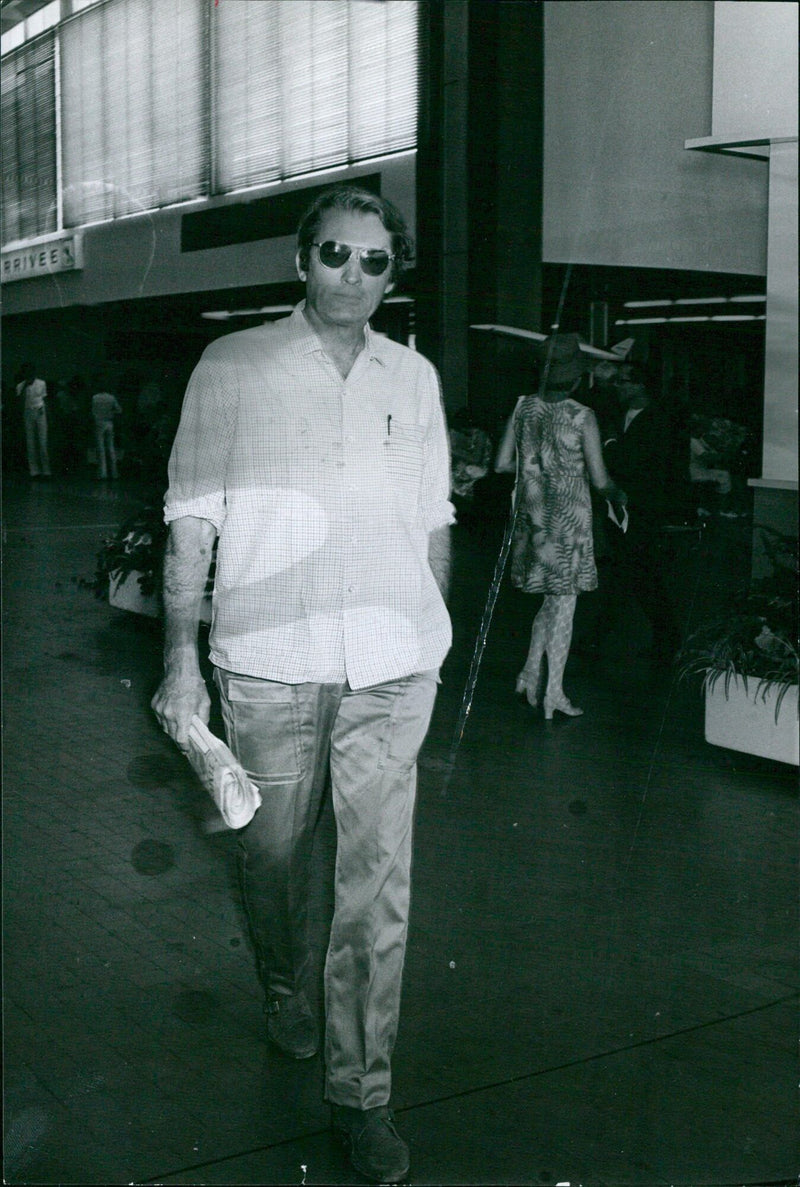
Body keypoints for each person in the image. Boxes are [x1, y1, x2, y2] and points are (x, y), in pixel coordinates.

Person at [150, 184, 454, 1185]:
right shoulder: (231, 367)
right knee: (273, 856)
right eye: (335, 253)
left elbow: (432, 519)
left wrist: (428, 631)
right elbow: (192, 519)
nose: (353, 276)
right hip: (267, 666)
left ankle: (360, 1092)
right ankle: (283, 979)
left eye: (375, 261)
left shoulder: (412, 380)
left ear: (390, 275)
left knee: (377, 886)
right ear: (299, 259)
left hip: (388, 669)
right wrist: (179, 661)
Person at [496, 333, 625, 719]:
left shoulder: (522, 407)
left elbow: (502, 464)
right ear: (575, 377)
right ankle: (554, 694)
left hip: (533, 520)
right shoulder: (582, 416)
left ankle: (528, 673)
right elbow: (601, 481)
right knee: (564, 607)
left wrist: (536, 470)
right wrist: (619, 496)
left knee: (552, 601)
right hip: (569, 524)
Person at [603, 363, 685, 665]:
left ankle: (668, 638)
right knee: (630, 572)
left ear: (641, 386)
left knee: (641, 574)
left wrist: (609, 443)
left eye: (623, 382)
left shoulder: (658, 420)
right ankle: (602, 636)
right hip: (620, 508)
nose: (618, 387)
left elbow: (631, 463)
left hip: (643, 508)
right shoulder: (619, 415)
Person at [16, 363, 51, 478]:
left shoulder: (41, 383)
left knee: (42, 442)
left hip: (40, 412)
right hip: (28, 412)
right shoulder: (20, 386)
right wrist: (25, 386)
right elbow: (20, 401)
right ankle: (34, 471)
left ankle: (46, 471)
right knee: (30, 443)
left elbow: (44, 399)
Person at [91, 379, 123, 479]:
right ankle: (114, 473)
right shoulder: (111, 397)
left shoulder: (95, 397)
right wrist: (111, 413)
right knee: (111, 448)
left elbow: (93, 411)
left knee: (100, 448)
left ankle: (102, 473)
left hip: (99, 422)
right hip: (109, 422)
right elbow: (119, 410)